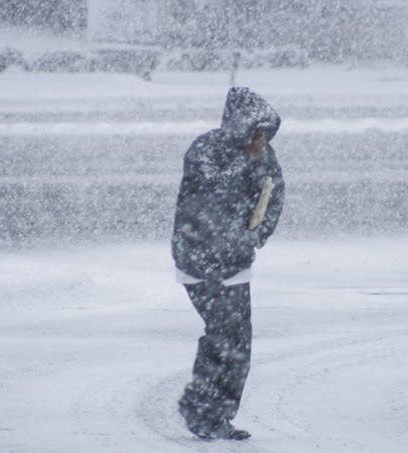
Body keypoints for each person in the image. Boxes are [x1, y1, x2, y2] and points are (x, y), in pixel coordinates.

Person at [171, 87, 285, 440]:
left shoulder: (263, 157)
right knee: (224, 337)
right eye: (255, 131)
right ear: (239, 127)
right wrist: (246, 160)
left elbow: (275, 194)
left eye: (265, 132)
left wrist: (254, 237)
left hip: (235, 263)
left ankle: (214, 414)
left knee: (237, 342)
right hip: (199, 261)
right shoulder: (206, 150)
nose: (261, 139)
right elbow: (210, 196)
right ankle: (201, 409)